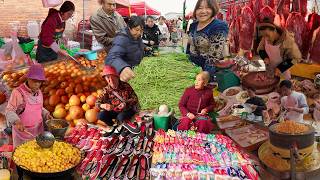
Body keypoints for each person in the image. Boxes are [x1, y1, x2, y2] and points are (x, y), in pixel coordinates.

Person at [5, 64, 52, 147]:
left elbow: (39, 108)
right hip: (23, 133)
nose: (37, 84)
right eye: (34, 80)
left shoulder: (39, 92)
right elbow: (9, 110)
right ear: (28, 78)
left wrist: (46, 114)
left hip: (38, 130)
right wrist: (17, 121)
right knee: (23, 156)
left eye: (39, 81)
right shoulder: (18, 93)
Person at [186, 0, 229, 82]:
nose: (203, 11)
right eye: (200, 8)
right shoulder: (193, 25)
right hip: (192, 70)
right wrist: (186, 62)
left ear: (213, 9)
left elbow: (213, 56)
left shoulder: (218, 26)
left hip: (210, 73)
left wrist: (206, 74)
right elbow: (189, 47)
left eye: (207, 8)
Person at [105, 16, 147, 82]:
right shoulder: (121, 38)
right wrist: (122, 68)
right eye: (137, 29)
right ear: (130, 28)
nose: (139, 33)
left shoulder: (137, 36)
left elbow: (136, 46)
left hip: (134, 70)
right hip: (125, 74)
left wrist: (145, 48)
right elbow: (111, 57)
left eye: (141, 30)